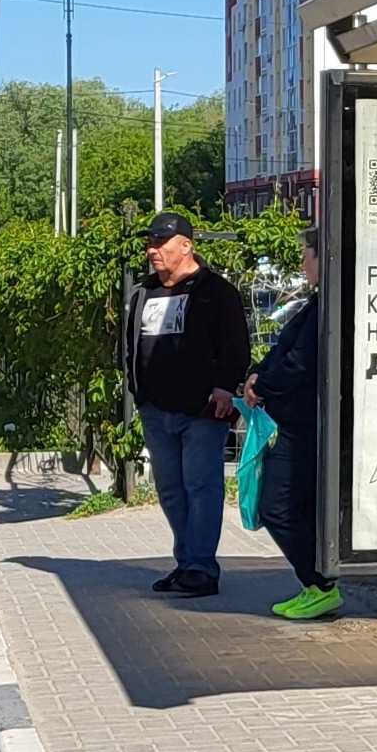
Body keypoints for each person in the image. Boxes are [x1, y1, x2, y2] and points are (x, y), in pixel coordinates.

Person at [130, 213, 255, 598]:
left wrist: (223, 387)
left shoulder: (215, 291)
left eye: (161, 244)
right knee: (170, 489)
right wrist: (137, 390)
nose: (152, 251)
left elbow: (236, 345)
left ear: (186, 245)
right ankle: (186, 563)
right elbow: (131, 346)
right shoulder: (143, 292)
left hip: (202, 410)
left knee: (201, 486)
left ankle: (202, 567)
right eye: (150, 243)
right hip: (155, 409)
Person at [251, 240, 331, 621]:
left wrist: (262, 385)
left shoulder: (327, 307)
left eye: (306, 255)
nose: (302, 263)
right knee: (295, 507)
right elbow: (283, 349)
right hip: (293, 422)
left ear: (322, 256)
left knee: (276, 506)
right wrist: (257, 377)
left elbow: (300, 363)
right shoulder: (315, 304)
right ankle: (313, 583)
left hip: (302, 426)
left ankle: (321, 584)